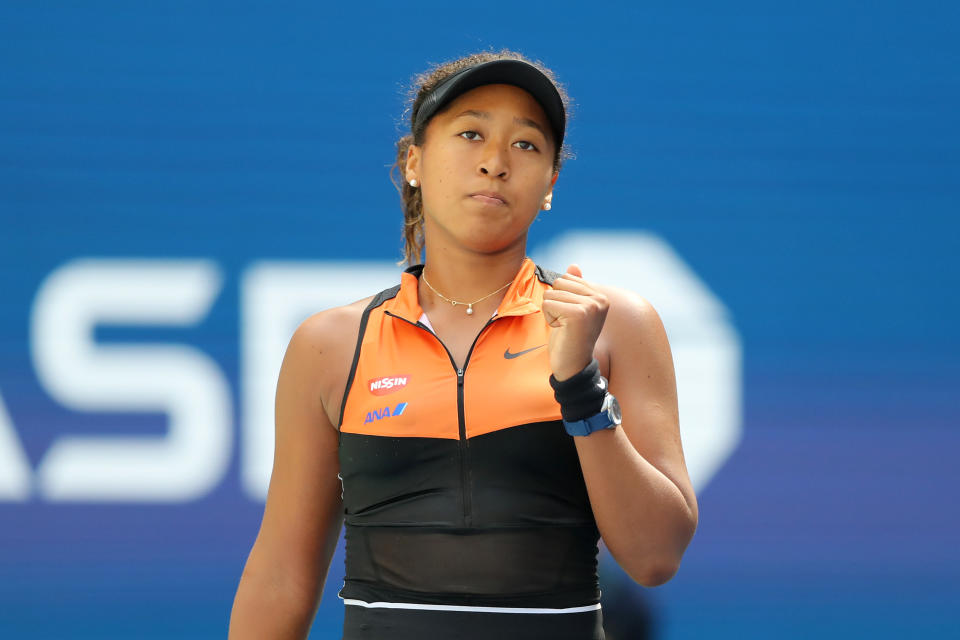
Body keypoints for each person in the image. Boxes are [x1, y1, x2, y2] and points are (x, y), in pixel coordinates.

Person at [228, 50, 698, 640]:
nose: (495, 163)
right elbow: (281, 579)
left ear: (551, 182)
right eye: (471, 134)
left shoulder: (614, 325)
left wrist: (579, 386)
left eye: (526, 145)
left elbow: (657, 558)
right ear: (414, 162)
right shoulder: (329, 345)